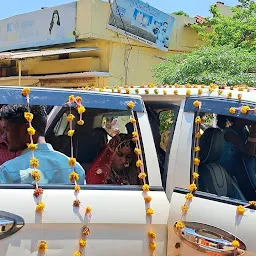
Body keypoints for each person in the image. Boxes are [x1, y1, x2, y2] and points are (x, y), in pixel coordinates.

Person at [0, 104, 85, 184]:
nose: (3, 137)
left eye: (7, 130)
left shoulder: (8, 171)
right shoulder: (76, 169)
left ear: (27, 129)